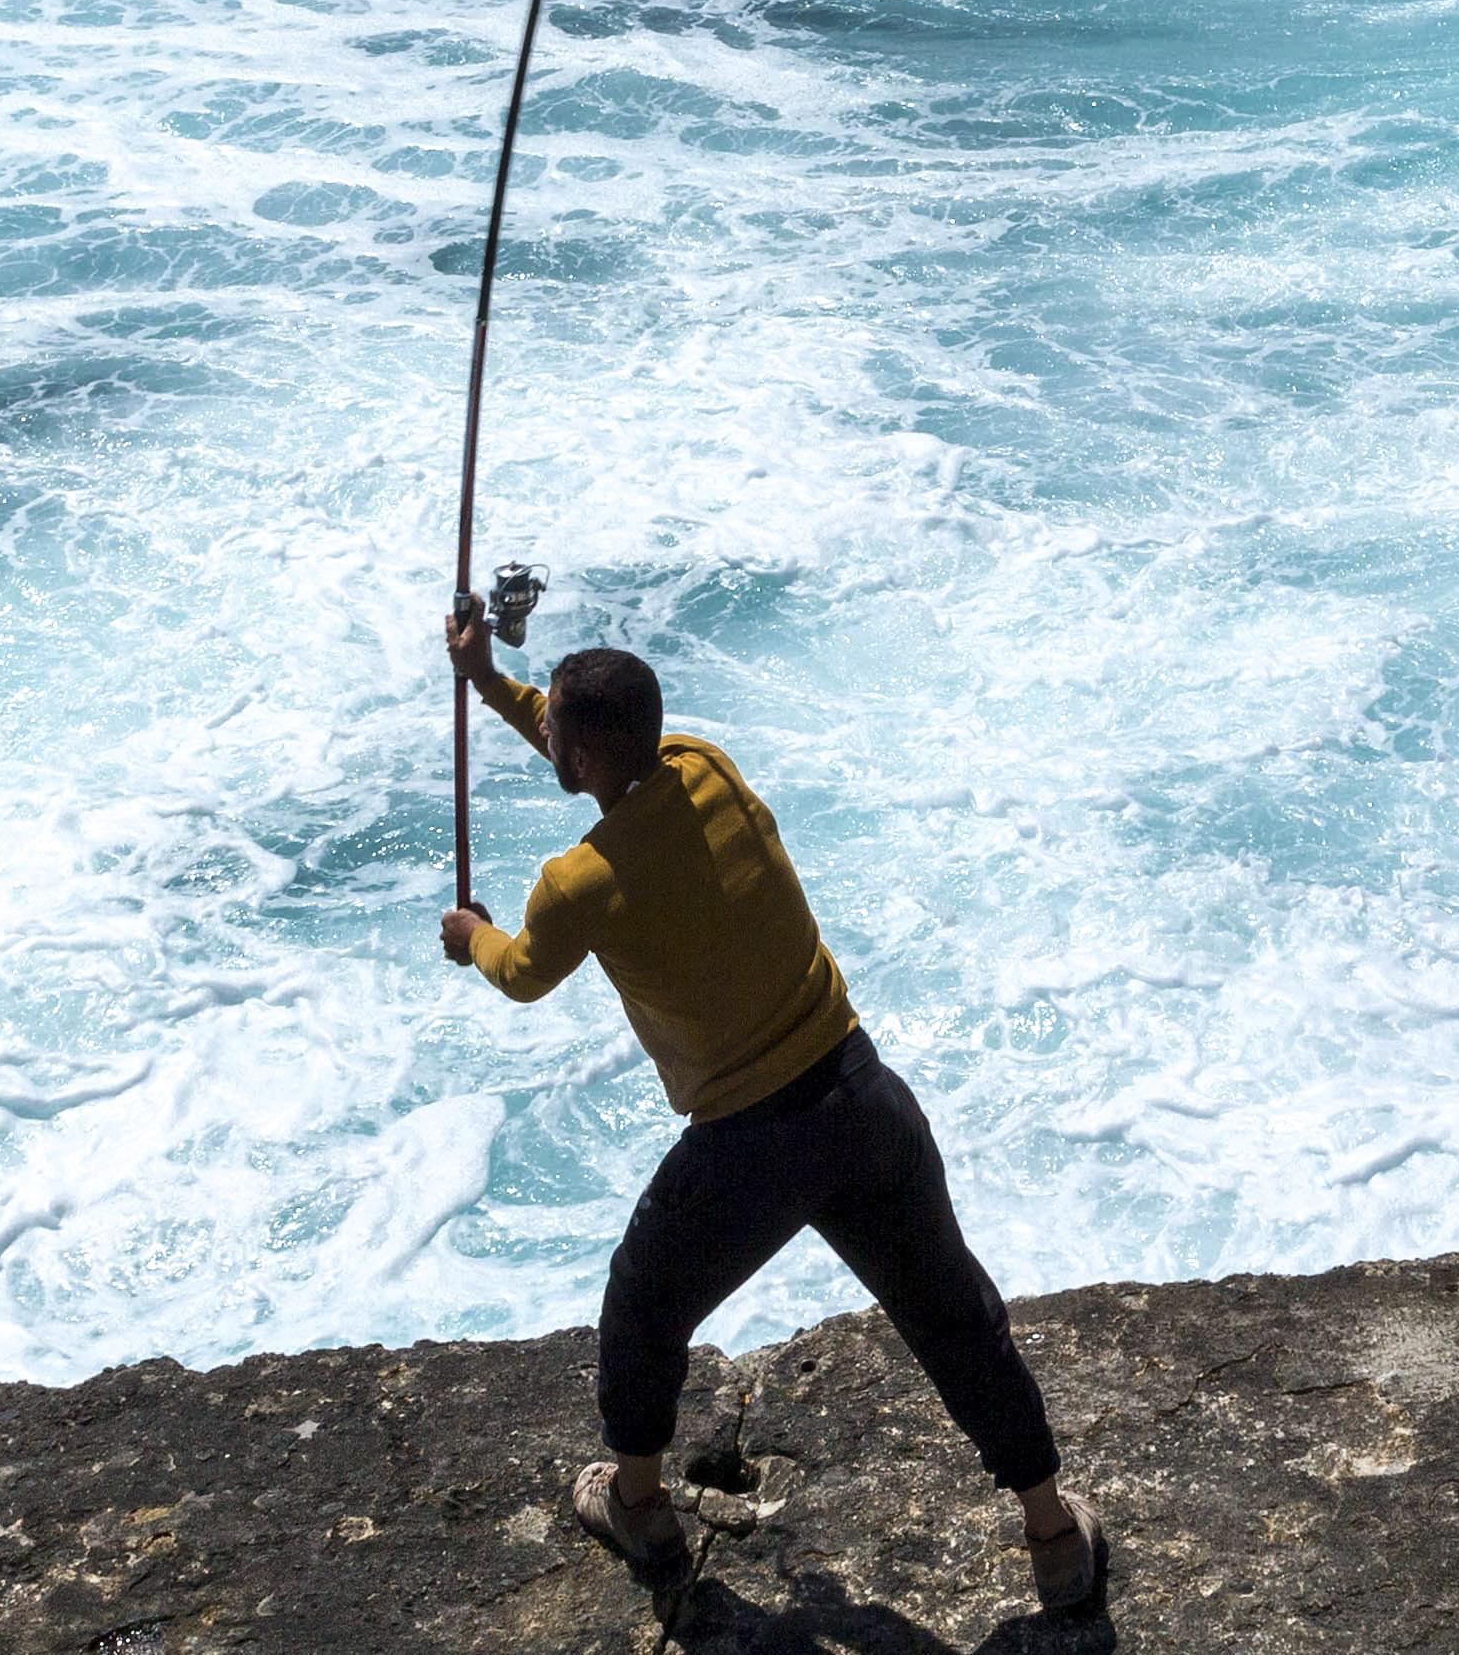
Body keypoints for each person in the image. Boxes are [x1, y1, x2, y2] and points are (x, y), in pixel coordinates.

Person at [440, 604, 1107, 1614]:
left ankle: (640, 1507)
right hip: (859, 1096)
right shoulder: (703, 764)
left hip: (749, 1144)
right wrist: (489, 678)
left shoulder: (576, 884)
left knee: (643, 1304)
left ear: (578, 755)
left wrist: (472, 937)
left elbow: (521, 973)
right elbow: (582, 738)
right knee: (953, 1317)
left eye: (560, 736)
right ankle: (1052, 1532)